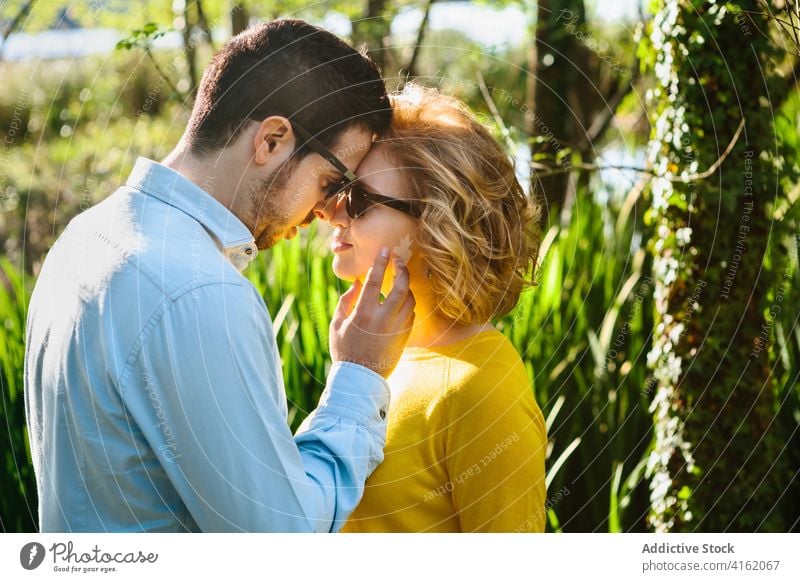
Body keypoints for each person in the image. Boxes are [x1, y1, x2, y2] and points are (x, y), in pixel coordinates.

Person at [23, 19, 415, 533]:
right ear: (272, 140)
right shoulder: (201, 293)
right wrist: (359, 375)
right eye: (329, 181)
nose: (325, 211)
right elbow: (279, 539)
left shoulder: (84, 236)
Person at [315, 85, 548, 532]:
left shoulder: (481, 392)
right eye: (339, 190)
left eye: (359, 199)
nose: (332, 211)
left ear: (438, 222)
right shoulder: (381, 355)